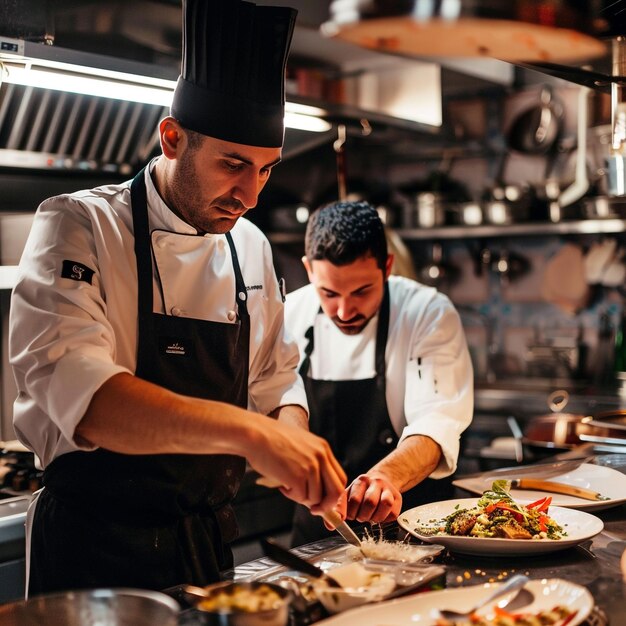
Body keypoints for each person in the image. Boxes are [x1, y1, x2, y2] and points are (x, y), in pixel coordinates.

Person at [9, 0, 345, 595]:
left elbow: (274, 380)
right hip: (92, 553)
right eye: (234, 165)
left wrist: (292, 439)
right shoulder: (79, 226)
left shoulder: (251, 246)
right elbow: (85, 396)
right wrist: (253, 435)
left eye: (266, 170)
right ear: (171, 137)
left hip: (204, 546)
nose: (250, 194)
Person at [285, 200, 473, 546]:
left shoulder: (426, 312)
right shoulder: (290, 314)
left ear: (387, 267)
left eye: (361, 291)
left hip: (414, 527)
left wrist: (385, 478)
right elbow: (276, 400)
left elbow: (436, 423)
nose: (344, 310)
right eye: (328, 293)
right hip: (318, 531)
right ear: (309, 270)